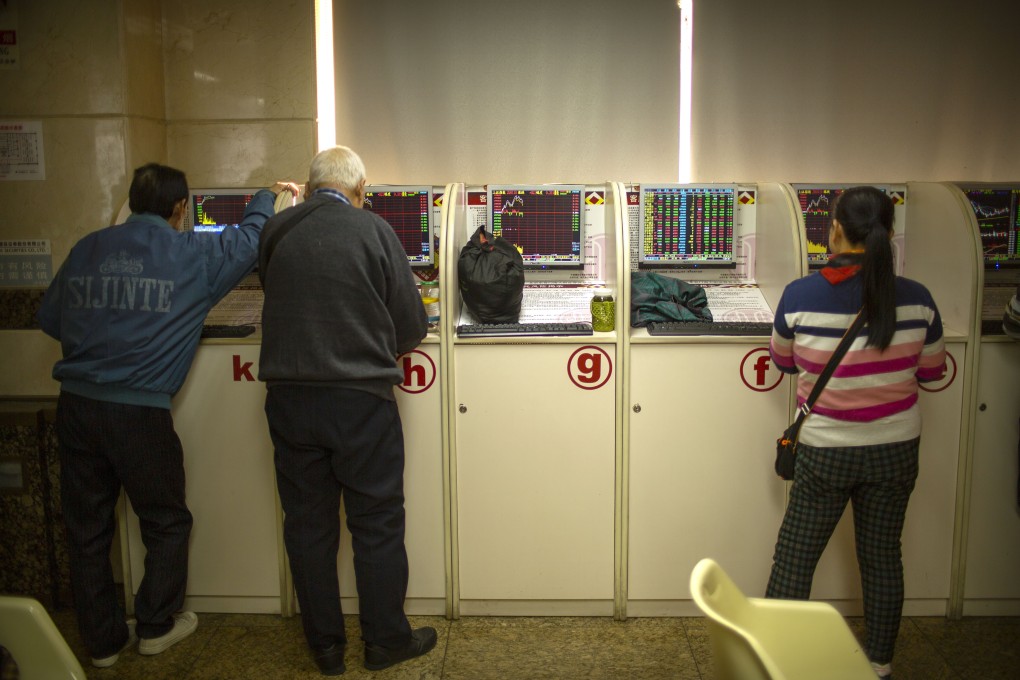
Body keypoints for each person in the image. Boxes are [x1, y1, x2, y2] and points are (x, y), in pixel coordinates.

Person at [36, 163, 296, 669]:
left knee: (87, 529)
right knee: (165, 520)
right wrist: (266, 195)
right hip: (139, 414)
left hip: (77, 409)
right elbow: (247, 242)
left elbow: (50, 318)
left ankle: (103, 643)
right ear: (182, 210)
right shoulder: (190, 254)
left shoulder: (88, 246)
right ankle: (156, 625)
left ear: (132, 202)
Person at [257, 145, 434, 676]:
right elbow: (411, 328)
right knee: (376, 522)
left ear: (310, 190)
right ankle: (384, 643)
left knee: (307, 526)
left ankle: (326, 649)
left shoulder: (276, 232)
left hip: (289, 400)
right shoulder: (374, 230)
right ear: (360, 192)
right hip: (361, 401)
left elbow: (277, 292)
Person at [765, 186, 946, 679]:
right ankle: (880, 664)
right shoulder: (919, 299)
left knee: (796, 557)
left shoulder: (800, 295)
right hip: (896, 451)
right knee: (883, 557)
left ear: (837, 230)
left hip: (826, 450)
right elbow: (932, 375)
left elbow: (783, 362)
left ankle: (780, 660)